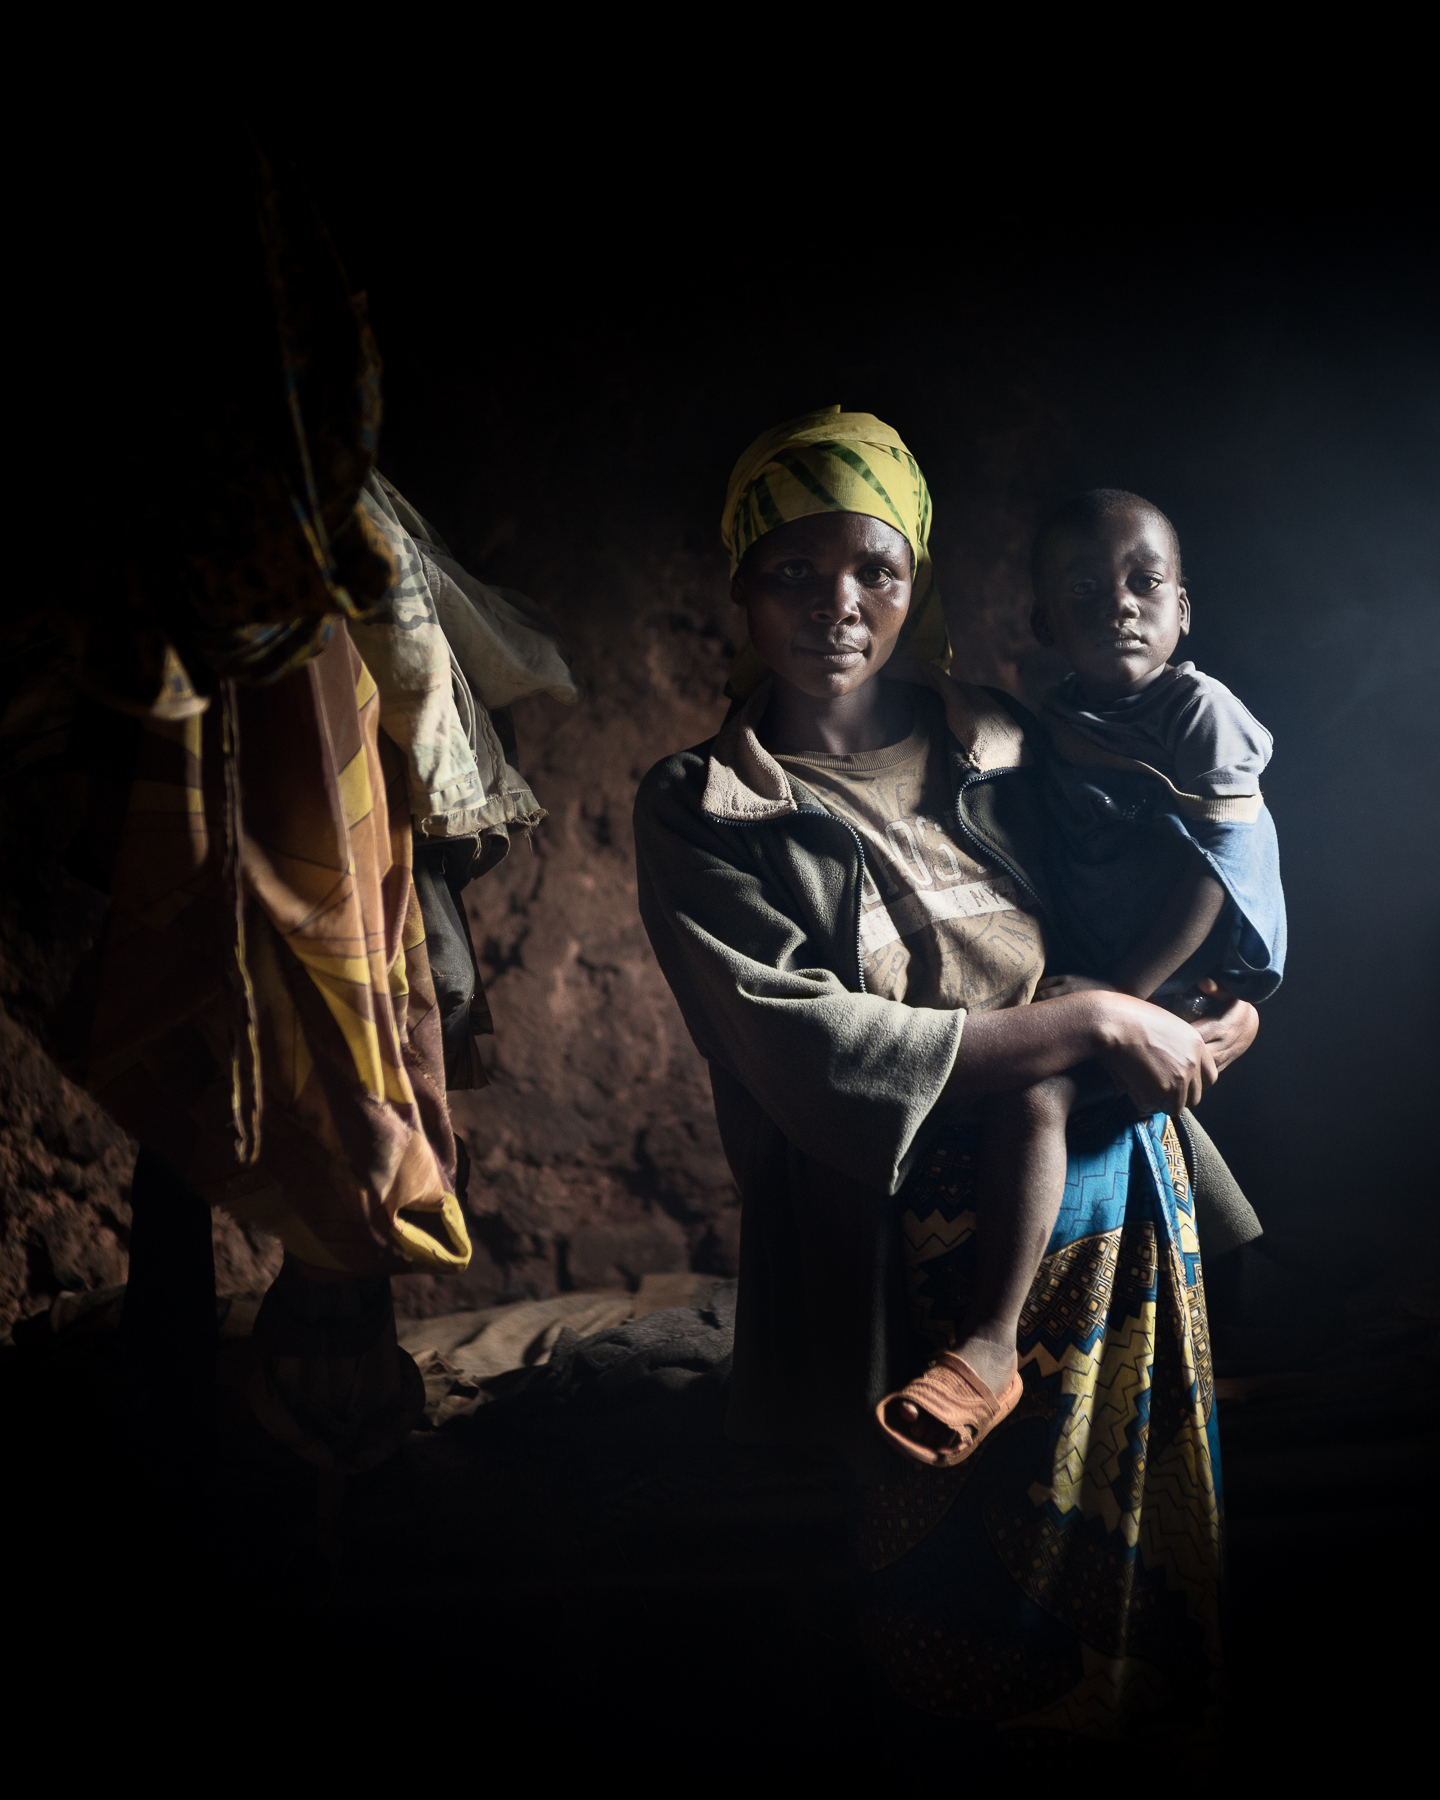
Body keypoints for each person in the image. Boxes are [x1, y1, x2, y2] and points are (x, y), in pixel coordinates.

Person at [634, 407, 1259, 1740]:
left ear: (914, 578)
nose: (839, 606)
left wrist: (1197, 1006)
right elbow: (815, 1055)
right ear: (740, 582)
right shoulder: (705, 810)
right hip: (906, 1288)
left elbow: (1141, 886)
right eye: (794, 572)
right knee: (960, 1629)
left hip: (1122, 1227)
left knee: (1141, 1596)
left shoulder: (1004, 736)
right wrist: (1097, 1027)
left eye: (876, 569)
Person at [877, 487, 1286, 1462]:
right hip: (1104, 977)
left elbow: (1209, 876)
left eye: (1146, 583)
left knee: (1042, 1090)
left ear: (1183, 608)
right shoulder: (1052, 719)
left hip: (1179, 972)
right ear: (1043, 622)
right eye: (1084, 590)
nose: (1120, 606)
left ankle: (987, 1347)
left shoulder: (1202, 714)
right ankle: (1245, 1314)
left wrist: (1122, 997)